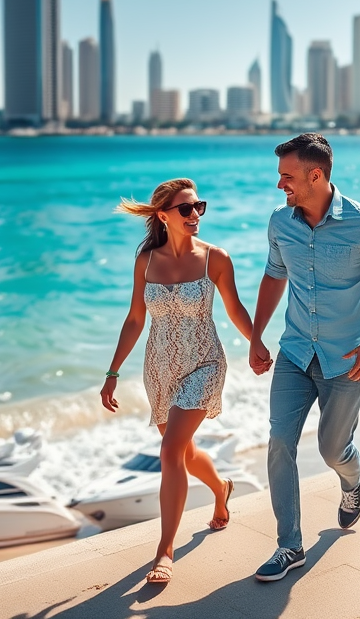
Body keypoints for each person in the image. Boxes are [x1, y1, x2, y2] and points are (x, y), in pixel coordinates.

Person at [249, 133, 360, 582]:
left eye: (287, 176)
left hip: (348, 358)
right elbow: (272, 275)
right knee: (280, 441)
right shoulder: (280, 223)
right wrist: (256, 335)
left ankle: (354, 478)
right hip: (296, 351)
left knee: (331, 449)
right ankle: (289, 546)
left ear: (314, 175)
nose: (280, 184)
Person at [101, 178, 265, 585]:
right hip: (158, 369)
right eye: (186, 209)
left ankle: (165, 550)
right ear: (163, 216)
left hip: (205, 363)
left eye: (199, 207)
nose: (195, 215)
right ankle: (221, 487)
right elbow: (135, 319)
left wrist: (257, 344)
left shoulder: (216, 259)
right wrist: (112, 372)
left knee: (170, 450)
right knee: (183, 451)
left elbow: (235, 309)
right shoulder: (146, 261)